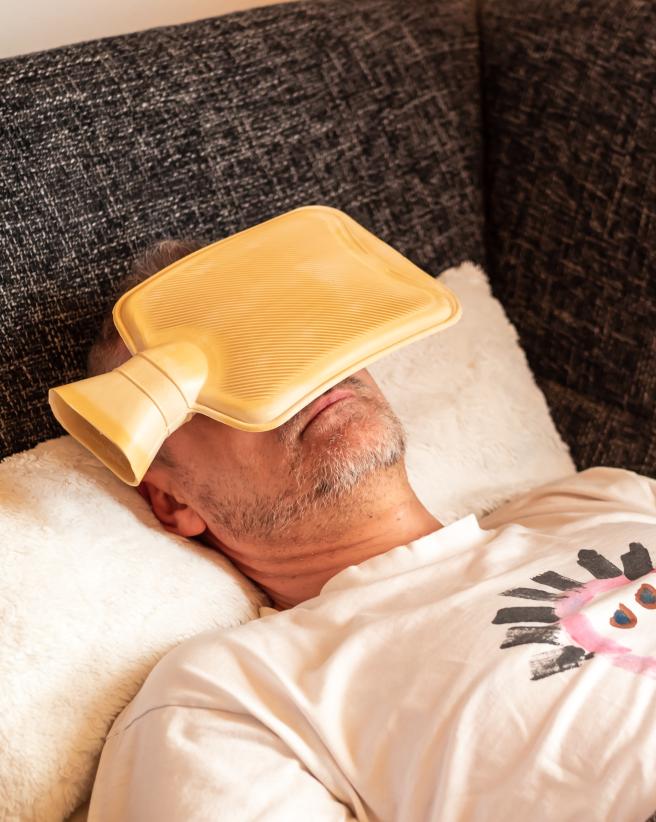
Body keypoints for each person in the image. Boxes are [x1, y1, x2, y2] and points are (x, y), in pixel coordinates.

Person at [88, 241, 656, 822]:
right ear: (171, 499)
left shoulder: (598, 499)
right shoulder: (226, 700)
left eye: (299, 328)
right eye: (226, 369)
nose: (294, 364)